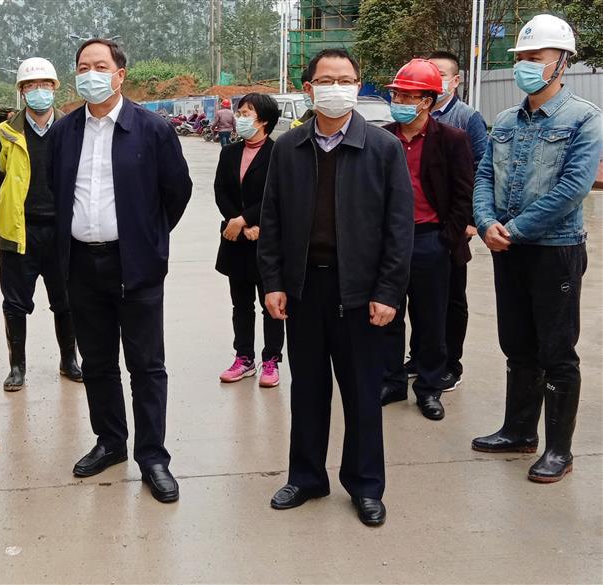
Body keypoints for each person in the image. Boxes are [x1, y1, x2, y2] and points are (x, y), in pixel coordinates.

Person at [258, 48, 413, 526]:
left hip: (361, 295)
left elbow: (399, 227)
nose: (336, 88)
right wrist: (274, 282)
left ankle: (365, 485)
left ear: (358, 86)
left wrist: (388, 292)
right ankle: (306, 477)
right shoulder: (288, 147)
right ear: (309, 89)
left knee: (363, 394)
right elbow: (272, 220)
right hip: (305, 290)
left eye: (346, 80)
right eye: (326, 80)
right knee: (307, 389)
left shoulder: (383, 148)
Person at [47, 39, 192, 503]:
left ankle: (153, 457)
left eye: (100, 65)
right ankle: (110, 441)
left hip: (136, 267)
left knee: (147, 366)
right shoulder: (64, 132)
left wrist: (147, 238)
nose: (90, 73)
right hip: (81, 265)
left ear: (120, 74)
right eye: (82, 66)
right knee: (98, 362)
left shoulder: (152, 129)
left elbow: (177, 191)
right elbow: (54, 191)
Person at [471, 15, 602, 483]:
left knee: (557, 351)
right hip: (508, 248)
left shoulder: (584, 118)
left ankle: (559, 450)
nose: (524, 65)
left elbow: (573, 188)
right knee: (517, 344)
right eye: (520, 58)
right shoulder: (507, 120)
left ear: (562, 62)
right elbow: (484, 176)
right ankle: (519, 431)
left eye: (535, 57)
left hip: (554, 250)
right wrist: (485, 222)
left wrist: (513, 229)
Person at [380, 59, 474, 420]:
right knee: (387, 314)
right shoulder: (383, 138)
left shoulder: (451, 140)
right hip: (389, 241)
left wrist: (446, 239)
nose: (401, 101)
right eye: (397, 95)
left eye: (409, 96)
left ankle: (430, 387)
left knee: (432, 319)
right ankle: (392, 381)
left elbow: (463, 195)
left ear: (427, 101)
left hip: (430, 240)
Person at [0, 57, 82, 392]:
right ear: (22, 91)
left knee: (66, 301)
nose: (38, 90)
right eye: (30, 85)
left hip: (62, 233)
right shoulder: (5, 132)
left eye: (44, 84)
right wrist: (16, 207)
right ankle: (17, 367)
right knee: (15, 304)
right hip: (19, 232)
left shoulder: (72, 128)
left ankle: (69, 360)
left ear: (54, 88)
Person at [214, 93, 285, 388]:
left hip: (267, 241)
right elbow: (221, 192)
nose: (241, 118)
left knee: (271, 304)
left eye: (247, 113)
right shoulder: (229, 152)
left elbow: (277, 195)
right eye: (240, 112)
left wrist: (248, 220)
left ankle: (271, 360)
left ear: (264, 120)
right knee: (241, 304)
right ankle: (244, 357)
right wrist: (238, 223)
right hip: (236, 239)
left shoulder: (279, 153)